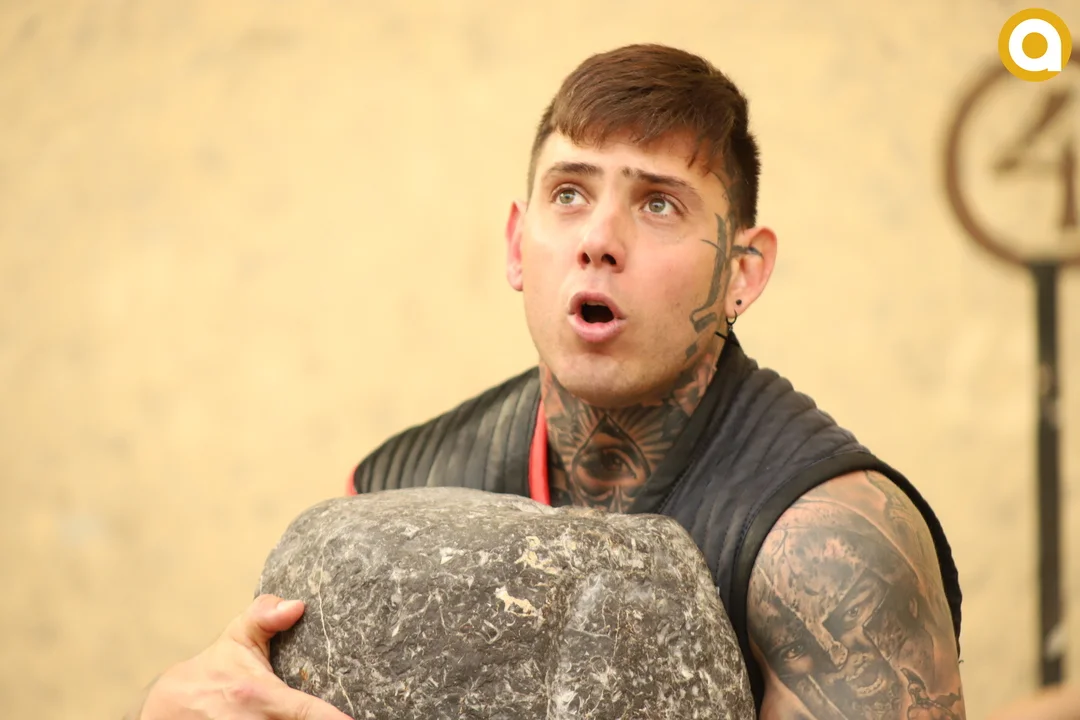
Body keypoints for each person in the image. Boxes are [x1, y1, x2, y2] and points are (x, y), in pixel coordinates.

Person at [126, 44, 966, 719]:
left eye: (659, 204)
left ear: (743, 272)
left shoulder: (832, 550)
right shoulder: (388, 492)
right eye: (569, 194)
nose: (599, 239)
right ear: (516, 245)